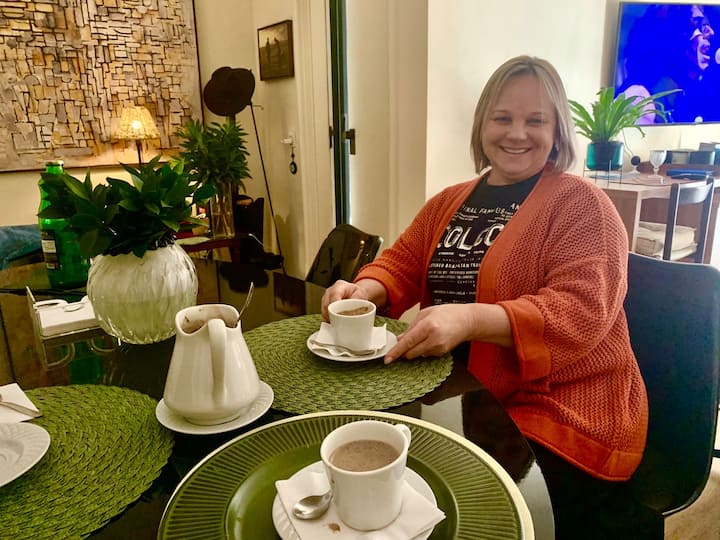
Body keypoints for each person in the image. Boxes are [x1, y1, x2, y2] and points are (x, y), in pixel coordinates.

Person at [321, 55, 652, 538]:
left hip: (560, 407)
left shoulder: (584, 205)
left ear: (557, 131)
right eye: (502, 118)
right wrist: (363, 288)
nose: (517, 133)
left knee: (460, 506)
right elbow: (402, 261)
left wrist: (472, 320)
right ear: (482, 125)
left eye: (535, 120)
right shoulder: (449, 201)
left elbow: (581, 312)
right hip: (463, 396)